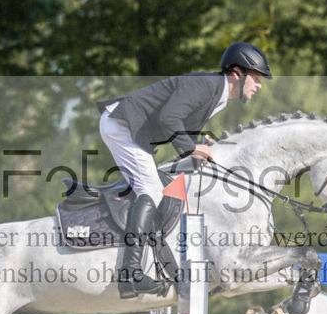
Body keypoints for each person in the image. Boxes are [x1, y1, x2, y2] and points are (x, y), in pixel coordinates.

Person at [96, 41, 272, 299]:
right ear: (237, 73)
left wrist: (197, 141)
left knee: (155, 189)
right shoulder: (205, 86)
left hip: (131, 129)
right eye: (256, 78)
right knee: (153, 191)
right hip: (122, 126)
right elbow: (169, 118)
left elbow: (178, 120)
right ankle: (129, 275)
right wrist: (190, 149)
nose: (259, 85)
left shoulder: (217, 95)